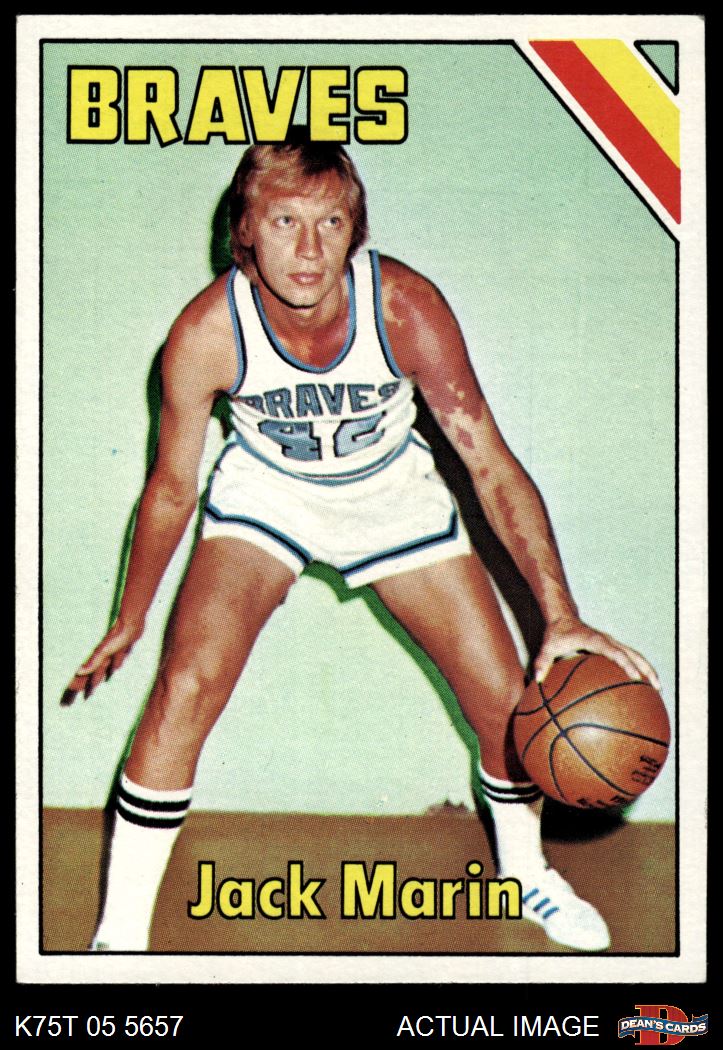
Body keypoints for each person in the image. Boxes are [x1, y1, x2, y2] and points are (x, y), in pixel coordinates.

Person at [66, 135, 659, 954]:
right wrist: (131, 616)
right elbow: (171, 489)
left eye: (331, 222)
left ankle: (527, 875)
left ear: (356, 231)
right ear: (245, 229)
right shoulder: (206, 333)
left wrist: (560, 615)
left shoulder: (403, 308)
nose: (309, 249)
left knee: (507, 709)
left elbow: (489, 464)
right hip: (268, 497)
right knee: (185, 687)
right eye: (285, 220)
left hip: (391, 498)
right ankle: (118, 940)